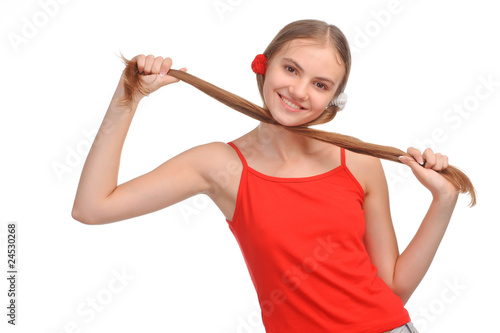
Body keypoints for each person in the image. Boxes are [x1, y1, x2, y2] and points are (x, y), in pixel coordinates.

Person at [72, 19, 475, 333]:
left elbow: (392, 289)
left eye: (320, 84)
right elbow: (92, 207)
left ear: (334, 99)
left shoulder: (357, 162)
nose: (300, 91)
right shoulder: (220, 166)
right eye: (291, 69)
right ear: (263, 65)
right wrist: (128, 99)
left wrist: (443, 202)